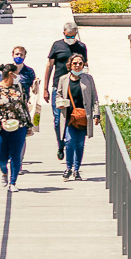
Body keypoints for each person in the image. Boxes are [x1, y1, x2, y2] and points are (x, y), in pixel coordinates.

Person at [44, 22, 88, 161]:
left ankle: (71, 145)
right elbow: (49, 66)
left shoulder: (81, 47)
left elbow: (85, 66)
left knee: (73, 117)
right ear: (64, 33)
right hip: (59, 87)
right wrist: (45, 88)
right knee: (58, 120)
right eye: (69, 36)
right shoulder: (57, 46)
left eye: (74, 35)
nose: (71, 38)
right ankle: (61, 144)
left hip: (76, 87)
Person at [0, 64, 33, 192]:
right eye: (16, 74)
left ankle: (13, 182)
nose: (19, 76)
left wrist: (29, 125)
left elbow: (24, 106)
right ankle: (4, 172)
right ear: (10, 74)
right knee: (1, 157)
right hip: (1, 127)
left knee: (16, 154)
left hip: (19, 125)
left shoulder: (19, 88)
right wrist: (1, 120)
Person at [55, 54, 100, 181]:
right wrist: (59, 101)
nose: (77, 65)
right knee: (69, 142)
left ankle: (76, 170)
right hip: (69, 116)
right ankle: (68, 168)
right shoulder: (64, 79)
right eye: (75, 63)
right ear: (70, 64)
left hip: (83, 117)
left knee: (80, 144)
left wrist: (96, 114)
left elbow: (94, 98)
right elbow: (58, 94)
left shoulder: (88, 79)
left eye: (80, 63)